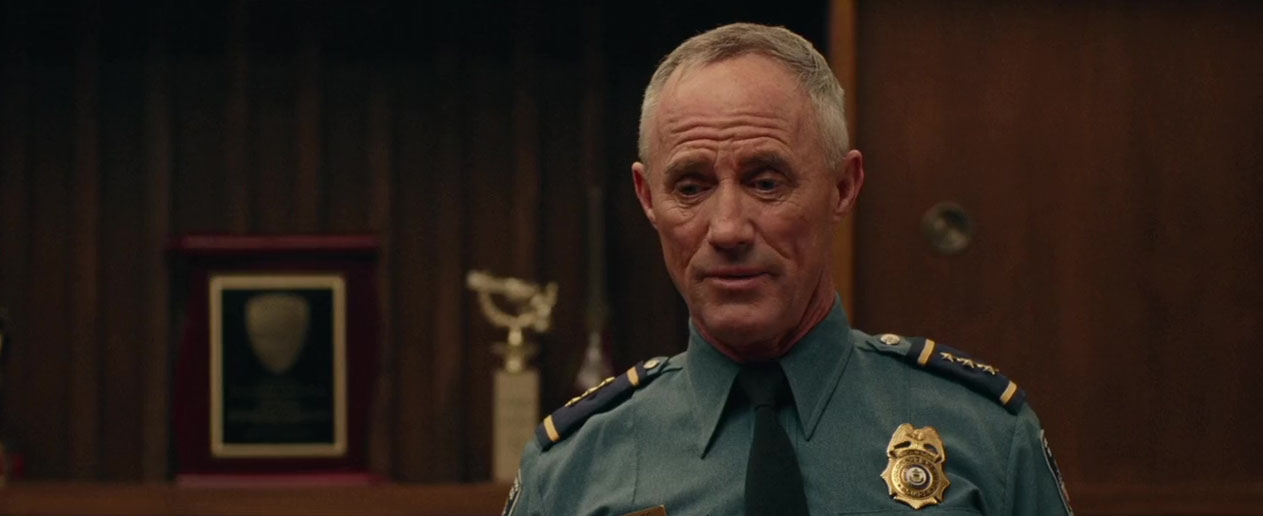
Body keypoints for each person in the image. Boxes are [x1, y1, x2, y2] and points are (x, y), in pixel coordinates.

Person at [503, 23, 1072, 516]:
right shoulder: (575, 467)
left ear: (843, 187)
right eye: (691, 187)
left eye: (766, 182)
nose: (728, 228)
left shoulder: (984, 439)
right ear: (648, 198)